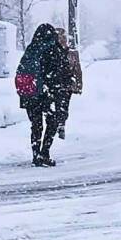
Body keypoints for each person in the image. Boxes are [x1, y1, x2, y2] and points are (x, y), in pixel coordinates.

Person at [15, 23, 69, 167]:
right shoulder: (52, 49)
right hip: (47, 93)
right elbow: (59, 71)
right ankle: (45, 152)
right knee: (52, 121)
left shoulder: (31, 48)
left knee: (36, 124)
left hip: (30, 93)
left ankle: (35, 154)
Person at [55, 28, 84, 139]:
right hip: (54, 84)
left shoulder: (72, 54)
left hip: (67, 84)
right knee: (57, 106)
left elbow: (77, 70)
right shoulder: (52, 53)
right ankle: (58, 124)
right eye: (60, 37)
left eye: (64, 37)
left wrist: (78, 85)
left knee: (63, 106)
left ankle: (61, 125)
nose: (63, 40)